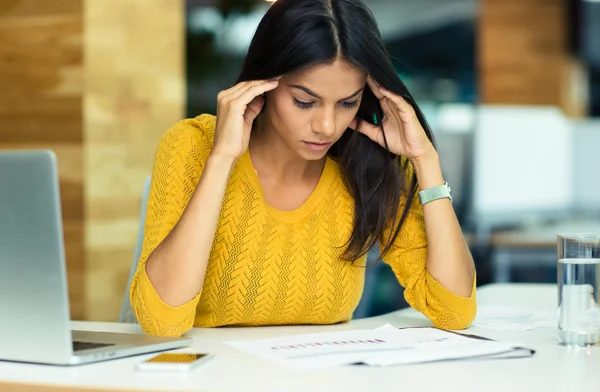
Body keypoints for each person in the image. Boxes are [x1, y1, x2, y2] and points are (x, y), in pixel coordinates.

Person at [130, 0, 476, 337]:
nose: (326, 125)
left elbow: (454, 309)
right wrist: (222, 159)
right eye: (305, 102)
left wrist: (425, 160)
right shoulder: (193, 145)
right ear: (264, 83)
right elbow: (164, 322)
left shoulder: (369, 163)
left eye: (347, 103)